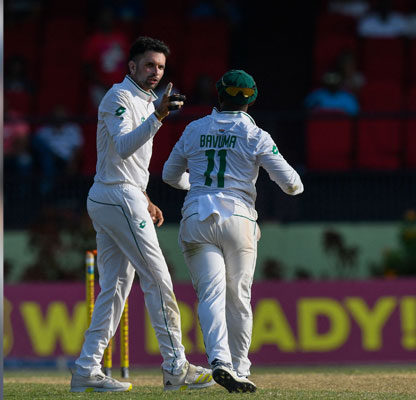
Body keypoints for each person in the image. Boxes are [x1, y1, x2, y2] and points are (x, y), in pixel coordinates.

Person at [70, 36, 214, 392]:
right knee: (158, 279)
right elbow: (121, 146)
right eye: (149, 65)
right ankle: (176, 366)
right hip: (115, 196)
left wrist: (144, 194)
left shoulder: (146, 101)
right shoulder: (118, 97)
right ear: (131, 66)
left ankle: (87, 368)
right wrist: (160, 116)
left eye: (161, 67)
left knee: (115, 289)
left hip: (121, 195)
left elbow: (125, 160)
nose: (155, 72)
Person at [162, 69, 304, 392]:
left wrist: (196, 187)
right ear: (251, 101)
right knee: (239, 297)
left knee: (211, 294)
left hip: (197, 216)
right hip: (239, 218)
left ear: (219, 94)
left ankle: (221, 362)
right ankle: (240, 367)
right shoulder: (256, 135)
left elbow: (170, 176)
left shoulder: (194, 129)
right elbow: (293, 185)